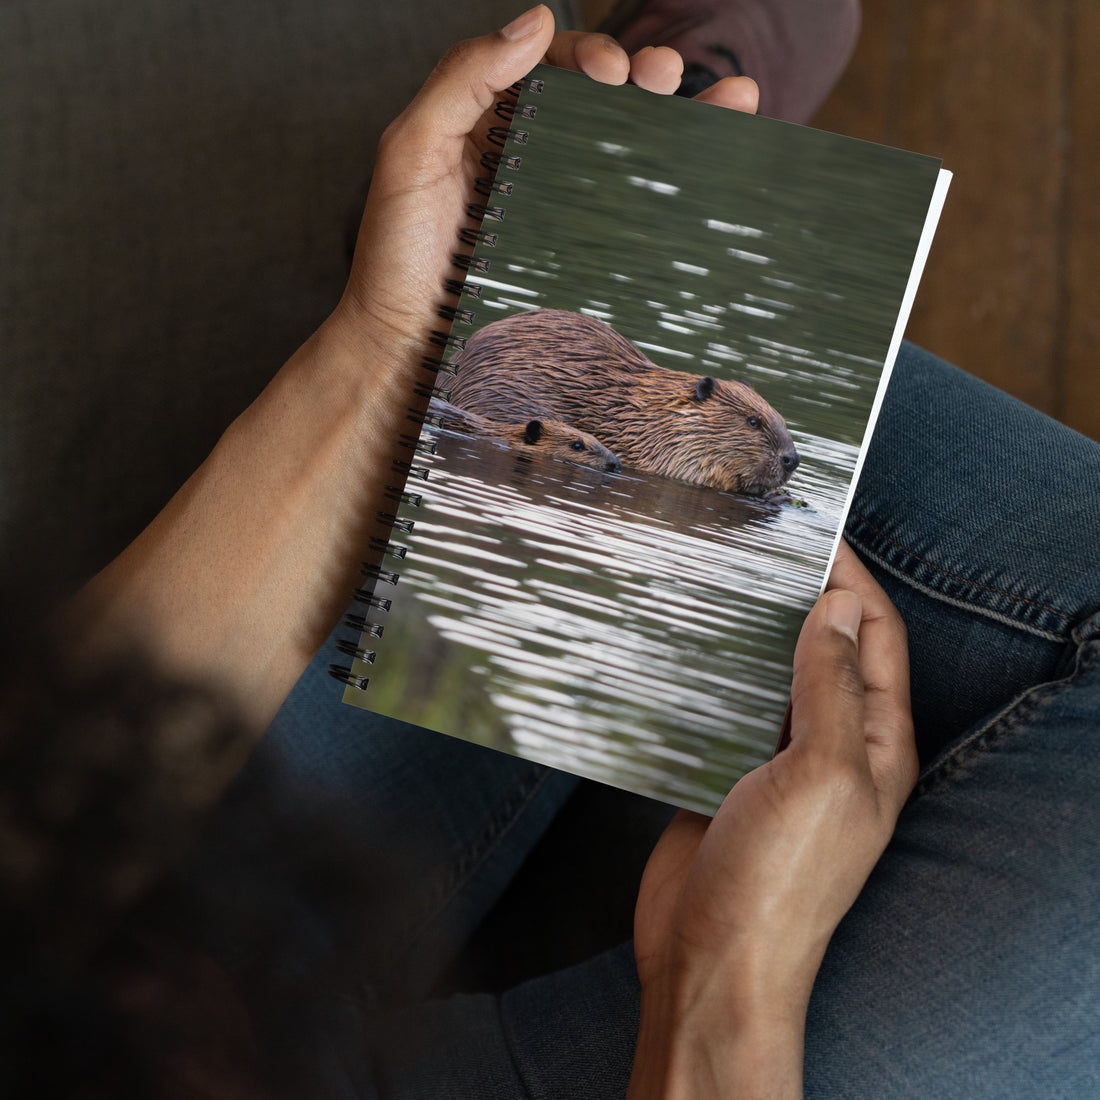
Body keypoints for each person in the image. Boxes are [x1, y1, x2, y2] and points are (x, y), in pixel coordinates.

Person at [2, 5, 1097, 1097]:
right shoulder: (650, 412)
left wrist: (383, 348)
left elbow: (37, 821)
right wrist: (721, 990)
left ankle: (543, 213)